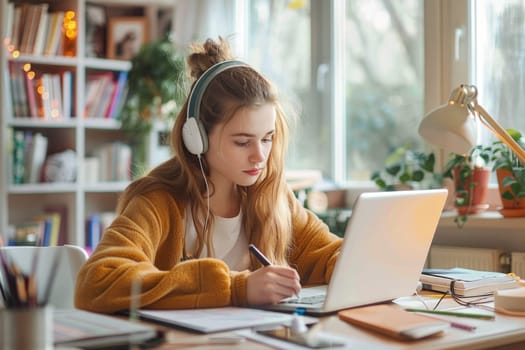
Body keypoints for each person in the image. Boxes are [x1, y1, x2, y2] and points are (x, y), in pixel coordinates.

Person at [74, 37, 343, 313]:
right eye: (242, 142)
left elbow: (333, 255)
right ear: (197, 138)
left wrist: (360, 264)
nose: (260, 156)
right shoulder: (157, 201)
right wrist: (237, 288)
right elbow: (98, 282)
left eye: (267, 138)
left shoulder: (272, 196)